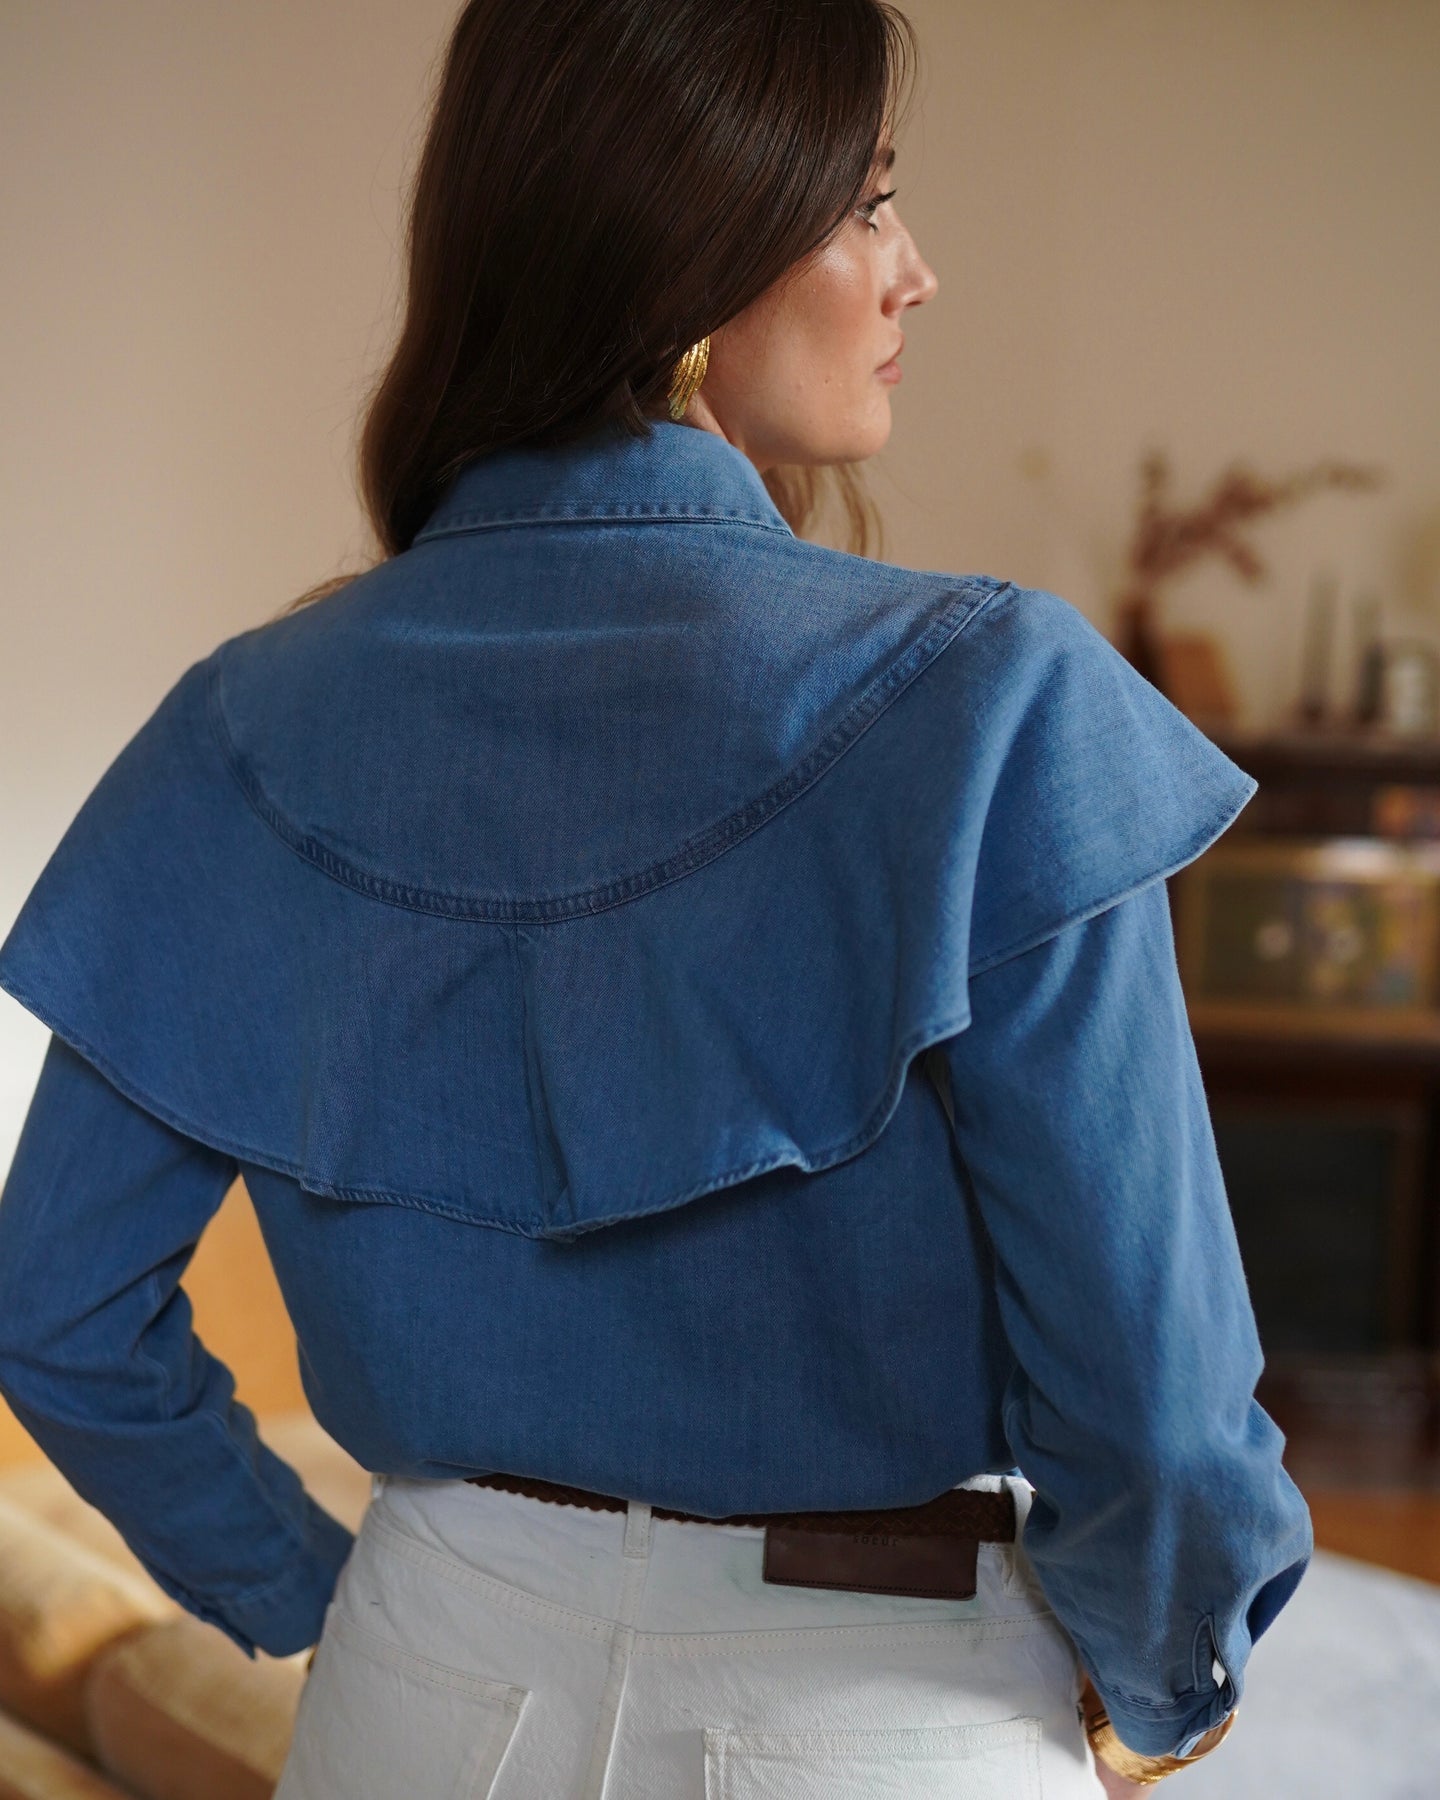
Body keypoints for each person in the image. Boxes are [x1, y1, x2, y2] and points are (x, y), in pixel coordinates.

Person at [0, 1, 1311, 1795]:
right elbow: (1155, 1409)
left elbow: (58, 1306)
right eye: (868, 203)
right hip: (876, 1719)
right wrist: (1168, 1673)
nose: (914, 270)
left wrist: (320, 1586)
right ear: (698, 238)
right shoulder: (997, 706)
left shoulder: (239, 726)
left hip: (414, 1705)